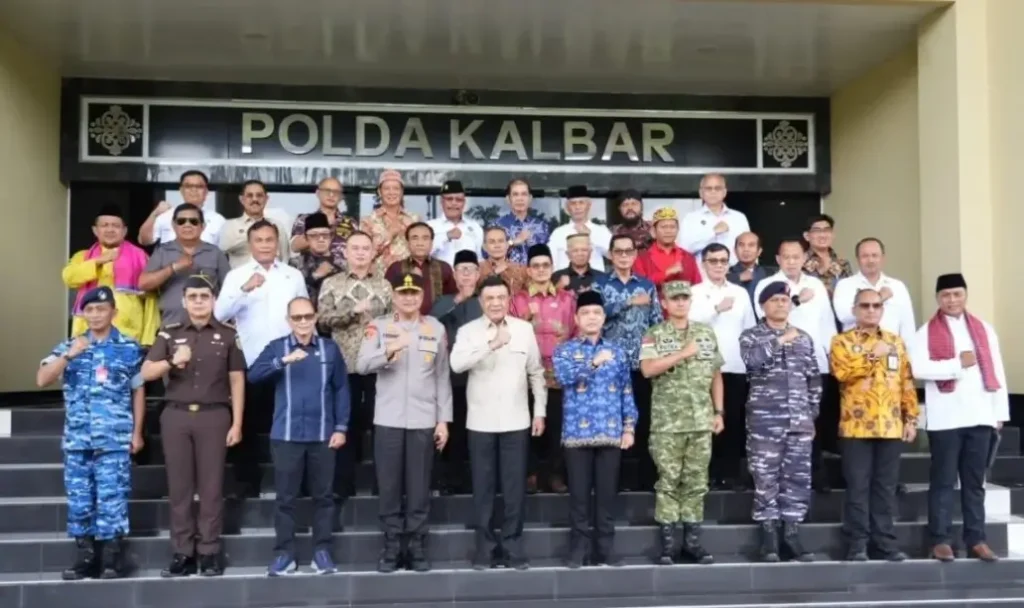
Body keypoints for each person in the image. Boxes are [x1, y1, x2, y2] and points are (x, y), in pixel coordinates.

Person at [36, 286, 145, 580]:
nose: (95, 314)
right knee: (81, 501)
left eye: (101, 309)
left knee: (113, 499)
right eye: (90, 310)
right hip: (78, 440)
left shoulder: (129, 348)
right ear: (83, 314)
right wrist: (69, 356)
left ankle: (111, 558)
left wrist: (137, 433)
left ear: (114, 312)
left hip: (114, 438)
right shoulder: (68, 346)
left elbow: (138, 391)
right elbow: (42, 379)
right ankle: (85, 558)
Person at [141, 275, 245, 577]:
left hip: (214, 416)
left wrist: (237, 422)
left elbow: (237, 380)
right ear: (184, 301)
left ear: (213, 300)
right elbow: (147, 372)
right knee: (180, 488)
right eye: (193, 297)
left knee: (212, 488)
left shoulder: (227, 334)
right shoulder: (169, 334)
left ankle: (210, 551)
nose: (199, 302)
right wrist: (172, 362)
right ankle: (182, 552)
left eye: (204, 296)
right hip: (176, 415)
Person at [357, 273, 453, 573]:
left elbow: (441, 377)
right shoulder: (379, 327)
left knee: (419, 485)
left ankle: (416, 545)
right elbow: (361, 365)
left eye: (414, 293)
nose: (409, 298)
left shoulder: (434, 328)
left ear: (421, 296)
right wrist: (388, 351)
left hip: (424, 419)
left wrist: (443, 421)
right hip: (388, 419)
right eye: (403, 293)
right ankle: (391, 545)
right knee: (389, 486)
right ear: (394, 296)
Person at [910, 273, 1008, 563]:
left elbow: (997, 370)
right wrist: (956, 365)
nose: (952, 300)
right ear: (938, 299)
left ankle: (976, 538)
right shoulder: (926, 331)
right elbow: (917, 368)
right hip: (946, 418)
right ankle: (940, 539)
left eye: (957, 294)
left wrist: (1000, 413)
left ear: (965, 295)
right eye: (946, 296)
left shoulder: (984, 329)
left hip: (980, 415)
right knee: (942, 481)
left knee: (975, 482)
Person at [451, 276, 547, 570]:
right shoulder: (468, 331)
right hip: (480, 422)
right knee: (483, 487)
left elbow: (536, 373)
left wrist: (539, 411)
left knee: (514, 488)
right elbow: (456, 364)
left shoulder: (523, 329)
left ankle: (512, 546)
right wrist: (491, 345)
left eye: (500, 298)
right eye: (489, 298)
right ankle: (485, 548)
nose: (495, 303)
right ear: (480, 301)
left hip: (516, 420)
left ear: (509, 300)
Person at [249, 296, 349, 576]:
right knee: (285, 499)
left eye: (308, 316)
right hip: (286, 435)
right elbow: (253, 375)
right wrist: (282, 362)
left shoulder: (329, 349)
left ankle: (322, 552)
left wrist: (341, 427)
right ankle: (285, 555)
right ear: (288, 320)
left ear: (315, 317)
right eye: (297, 318)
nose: (303, 322)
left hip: (323, 435)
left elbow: (341, 389)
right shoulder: (278, 347)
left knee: (324, 497)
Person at [215, 220, 308, 496]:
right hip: (252, 359)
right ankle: (247, 484)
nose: (265, 245)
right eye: (260, 240)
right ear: (251, 244)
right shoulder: (236, 275)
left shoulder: (292, 275)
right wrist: (245, 288)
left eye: (270, 240)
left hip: (289, 360)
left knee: (291, 424)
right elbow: (219, 314)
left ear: (277, 242)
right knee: (248, 423)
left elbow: (304, 313)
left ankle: (295, 485)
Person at [830, 288, 918, 562]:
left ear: (882, 309)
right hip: (856, 427)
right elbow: (842, 373)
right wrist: (872, 356)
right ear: (855, 310)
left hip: (890, 425)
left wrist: (911, 418)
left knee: (885, 488)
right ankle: (857, 543)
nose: (870, 310)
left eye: (876, 305)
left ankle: (885, 542)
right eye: (865, 306)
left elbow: (906, 381)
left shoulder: (895, 342)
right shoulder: (841, 341)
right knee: (858, 487)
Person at [639, 279, 724, 565]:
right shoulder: (654, 334)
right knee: (668, 482)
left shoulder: (705, 333)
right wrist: (682, 354)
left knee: (697, 482)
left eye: (684, 298)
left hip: (701, 420)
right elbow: (648, 369)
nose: (679, 302)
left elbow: (715, 374)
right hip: (668, 423)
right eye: (674, 298)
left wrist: (719, 412)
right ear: (664, 303)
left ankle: (693, 543)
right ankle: (667, 544)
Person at [553, 290, 636, 568]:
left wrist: (629, 427)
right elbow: (563, 377)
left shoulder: (617, 352)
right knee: (578, 496)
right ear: (576, 318)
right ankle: (578, 549)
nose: (591, 318)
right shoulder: (565, 350)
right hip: (577, 434)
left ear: (603, 318)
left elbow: (626, 391)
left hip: (611, 433)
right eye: (586, 313)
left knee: (606, 495)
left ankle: (605, 547)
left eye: (596, 313)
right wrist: (592, 363)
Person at [740, 281, 821, 563]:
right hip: (765, 421)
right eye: (774, 300)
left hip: (798, 422)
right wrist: (779, 340)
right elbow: (752, 362)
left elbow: (813, 379)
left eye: (785, 300)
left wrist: (811, 415)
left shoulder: (804, 338)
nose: (780, 304)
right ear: (763, 305)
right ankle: (769, 538)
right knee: (765, 478)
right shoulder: (752, 336)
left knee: (797, 479)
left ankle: (792, 534)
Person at [754, 238, 838, 492]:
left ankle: (817, 476)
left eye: (796, 257)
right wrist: (797, 300)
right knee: (781, 426)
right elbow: (763, 320)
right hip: (779, 366)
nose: (791, 261)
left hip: (814, 364)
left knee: (813, 422)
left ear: (805, 259)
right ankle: (781, 480)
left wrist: (831, 356)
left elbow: (826, 324)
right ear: (778, 260)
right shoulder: (768, 284)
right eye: (786, 257)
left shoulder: (815, 285)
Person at [317, 231, 393, 498]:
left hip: (377, 368)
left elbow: (394, 321)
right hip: (343, 365)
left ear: (373, 253)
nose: (360, 253)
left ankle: (380, 486)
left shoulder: (384, 285)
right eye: (355, 248)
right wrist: (352, 312)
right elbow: (321, 320)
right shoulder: (331, 284)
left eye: (365, 248)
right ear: (345, 253)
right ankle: (342, 487)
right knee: (344, 425)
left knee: (379, 426)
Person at [592, 234, 663, 491]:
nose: (623, 256)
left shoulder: (647, 285)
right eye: (618, 251)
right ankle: (614, 480)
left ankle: (644, 478)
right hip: (610, 365)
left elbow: (656, 324)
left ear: (634, 255)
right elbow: (594, 317)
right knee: (613, 421)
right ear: (610, 254)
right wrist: (628, 302)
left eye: (628, 251)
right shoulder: (598, 284)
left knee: (642, 420)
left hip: (640, 365)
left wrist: (655, 358)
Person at [689, 243, 757, 489]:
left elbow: (749, 329)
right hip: (702, 366)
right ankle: (704, 474)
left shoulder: (739, 293)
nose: (718, 265)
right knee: (703, 422)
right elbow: (689, 325)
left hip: (735, 365)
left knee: (733, 420)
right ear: (704, 263)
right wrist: (716, 309)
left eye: (722, 261)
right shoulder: (694, 292)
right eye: (713, 260)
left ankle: (729, 475)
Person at [510, 244, 576, 493]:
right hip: (526, 373)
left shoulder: (566, 298)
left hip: (559, 372)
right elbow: (507, 333)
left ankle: (554, 474)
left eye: (545, 265)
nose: (540, 270)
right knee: (528, 426)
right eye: (535, 266)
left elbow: (576, 332)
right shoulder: (517, 299)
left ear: (552, 268)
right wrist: (526, 316)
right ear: (528, 270)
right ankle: (531, 474)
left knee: (557, 425)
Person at [63, 205, 159, 345]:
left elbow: (151, 300)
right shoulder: (82, 256)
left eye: (115, 225)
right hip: (87, 337)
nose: (110, 229)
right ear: (95, 230)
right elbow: (69, 278)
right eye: (104, 225)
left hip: (128, 338)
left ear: (124, 231)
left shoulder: (140, 256)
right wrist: (98, 261)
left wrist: (148, 342)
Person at [430, 250, 484, 494]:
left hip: (482, 377)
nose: (466, 274)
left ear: (478, 273)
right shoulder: (444, 300)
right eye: (461, 269)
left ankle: (477, 480)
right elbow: (431, 324)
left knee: (477, 431)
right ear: (454, 273)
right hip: (451, 378)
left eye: (470, 269)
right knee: (453, 429)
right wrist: (458, 300)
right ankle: (450, 480)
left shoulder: (486, 301)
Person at [139, 203, 231, 326]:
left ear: (202, 226)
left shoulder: (215, 253)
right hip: (171, 324)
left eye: (193, 221)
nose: (187, 225)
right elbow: (143, 283)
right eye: (181, 221)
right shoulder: (162, 251)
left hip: (210, 327)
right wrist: (173, 268)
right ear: (173, 225)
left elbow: (229, 291)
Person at [831, 237, 916, 345]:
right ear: (857, 259)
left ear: (883, 258)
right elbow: (843, 316)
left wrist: (908, 356)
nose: (870, 260)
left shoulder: (897, 286)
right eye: (865, 256)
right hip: (855, 354)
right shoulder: (845, 285)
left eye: (875, 255)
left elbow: (908, 327)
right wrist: (879, 298)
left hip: (891, 352)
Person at [384, 222, 457, 315]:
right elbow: (388, 302)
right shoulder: (396, 268)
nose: (420, 243)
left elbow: (452, 300)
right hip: (403, 325)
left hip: (438, 324)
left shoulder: (444, 268)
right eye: (415, 238)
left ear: (431, 243)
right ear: (407, 243)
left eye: (425, 238)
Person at [138, 170, 225, 246]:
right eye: (188, 186)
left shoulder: (218, 220)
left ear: (206, 191)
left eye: (199, 186)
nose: (193, 190)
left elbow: (224, 251)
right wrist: (155, 214)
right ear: (181, 190)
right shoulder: (166, 215)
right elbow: (144, 241)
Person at [679, 174, 750, 264]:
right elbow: (685, 250)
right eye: (709, 188)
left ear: (724, 192)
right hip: (702, 274)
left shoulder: (739, 218)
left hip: (734, 274)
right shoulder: (691, 218)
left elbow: (750, 248)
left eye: (717, 188)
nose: (713, 192)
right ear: (701, 193)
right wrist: (712, 232)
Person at [290, 177, 358, 269]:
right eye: (327, 190)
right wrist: (318, 231)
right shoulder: (305, 219)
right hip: (310, 277)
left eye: (336, 192)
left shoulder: (350, 223)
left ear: (341, 197)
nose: (331, 195)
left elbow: (357, 250)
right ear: (318, 193)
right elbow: (294, 247)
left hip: (340, 277)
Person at [219, 180, 291, 268]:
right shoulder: (230, 225)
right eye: (250, 195)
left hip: (273, 278)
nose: (255, 199)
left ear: (266, 199)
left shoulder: (277, 225)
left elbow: (284, 257)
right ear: (241, 199)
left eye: (259, 195)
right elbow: (223, 250)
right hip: (241, 279)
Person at [362, 169, 419, 272]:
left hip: (408, 278)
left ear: (402, 192)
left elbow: (421, 250)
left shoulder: (414, 219)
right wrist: (390, 234)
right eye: (387, 188)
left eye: (396, 188)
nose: (391, 192)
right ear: (379, 192)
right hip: (378, 280)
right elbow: (363, 254)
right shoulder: (368, 221)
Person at [548, 185, 613, 272]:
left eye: (581, 202)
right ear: (567, 208)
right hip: (566, 282)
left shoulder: (601, 231)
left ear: (588, 205)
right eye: (573, 203)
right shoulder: (558, 233)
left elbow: (613, 255)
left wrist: (591, 236)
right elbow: (550, 261)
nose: (577, 207)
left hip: (595, 283)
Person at [634, 207, 702, 288]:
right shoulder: (642, 257)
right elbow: (639, 286)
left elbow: (698, 288)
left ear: (678, 230)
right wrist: (666, 273)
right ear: (653, 231)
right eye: (663, 227)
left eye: (672, 227)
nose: (668, 231)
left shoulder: (687, 257)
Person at [494, 178, 551, 266]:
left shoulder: (541, 226)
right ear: (508, 199)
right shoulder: (497, 225)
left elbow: (549, 255)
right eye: (515, 194)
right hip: (506, 277)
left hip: (535, 276)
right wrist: (513, 242)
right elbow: (487, 252)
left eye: (524, 194)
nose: (520, 199)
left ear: (530, 198)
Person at [427, 180, 484, 266]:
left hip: (467, 277)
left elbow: (480, 260)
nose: (454, 203)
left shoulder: (475, 228)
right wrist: (446, 236)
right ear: (441, 201)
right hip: (438, 278)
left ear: (464, 203)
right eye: (449, 199)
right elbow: (422, 253)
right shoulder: (430, 226)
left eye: (459, 200)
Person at [290, 212, 341, 307]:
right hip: (304, 318)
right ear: (306, 238)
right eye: (314, 235)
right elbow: (290, 295)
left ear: (331, 237)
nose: (321, 239)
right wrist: (315, 276)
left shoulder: (342, 264)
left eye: (325, 235)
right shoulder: (294, 265)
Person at [727, 232, 776, 310]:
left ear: (759, 251)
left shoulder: (769, 274)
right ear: (735, 250)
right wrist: (737, 278)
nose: (746, 249)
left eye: (751, 245)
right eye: (741, 245)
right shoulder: (726, 274)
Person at [478, 225, 529, 295]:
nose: (497, 245)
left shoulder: (521, 269)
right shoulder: (478, 269)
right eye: (492, 242)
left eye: (501, 241)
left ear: (507, 245)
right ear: (484, 247)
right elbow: (476, 291)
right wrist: (494, 273)